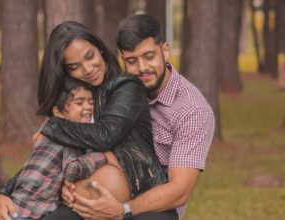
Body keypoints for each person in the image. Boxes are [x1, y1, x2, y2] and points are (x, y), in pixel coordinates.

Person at [0, 20, 178, 220]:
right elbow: (47, 157)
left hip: (140, 201)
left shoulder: (126, 87)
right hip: (83, 207)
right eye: (74, 66)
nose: (88, 69)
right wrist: (3, 192)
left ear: (100, 50)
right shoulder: (76, 107)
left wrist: (53, 125)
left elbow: (104, 135)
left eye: (90, 56)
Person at [62, 14, 215, 220]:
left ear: (165, 50)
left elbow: (179, 191)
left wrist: (122, 209)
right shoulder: (119, 89)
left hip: (152, 209)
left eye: (149, 56)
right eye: (132, 61)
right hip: (102, 188)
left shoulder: (191, 110)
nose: (142, 68)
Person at [1, 78, 113, 220]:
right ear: (58, 112)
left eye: (91, 102)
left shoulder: (47, 134)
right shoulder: (69, 136)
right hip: (29, 212)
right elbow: (72, 170)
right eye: (79, 102)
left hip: (17, 206)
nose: (88, 107)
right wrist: (103, 157)